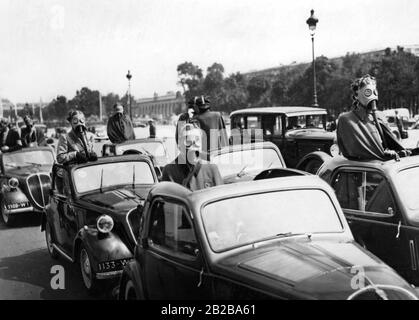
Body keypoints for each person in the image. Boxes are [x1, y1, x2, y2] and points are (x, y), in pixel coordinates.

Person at [337, 74, 407, 161]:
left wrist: (396, 152)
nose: (373, 95)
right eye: (367, 91)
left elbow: (391, 143)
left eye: (375, 91)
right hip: (364, 169)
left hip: (385, 167)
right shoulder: (347, 119)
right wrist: (383, 155)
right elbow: (356, 150)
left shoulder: (380, 116)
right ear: (356, 96)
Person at [162, 123, 223, 191]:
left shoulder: (211, 168)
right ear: (179, 145)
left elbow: (220, 197)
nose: (193, 145)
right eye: (188, 141)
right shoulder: (169, 171)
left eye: (197, 140)